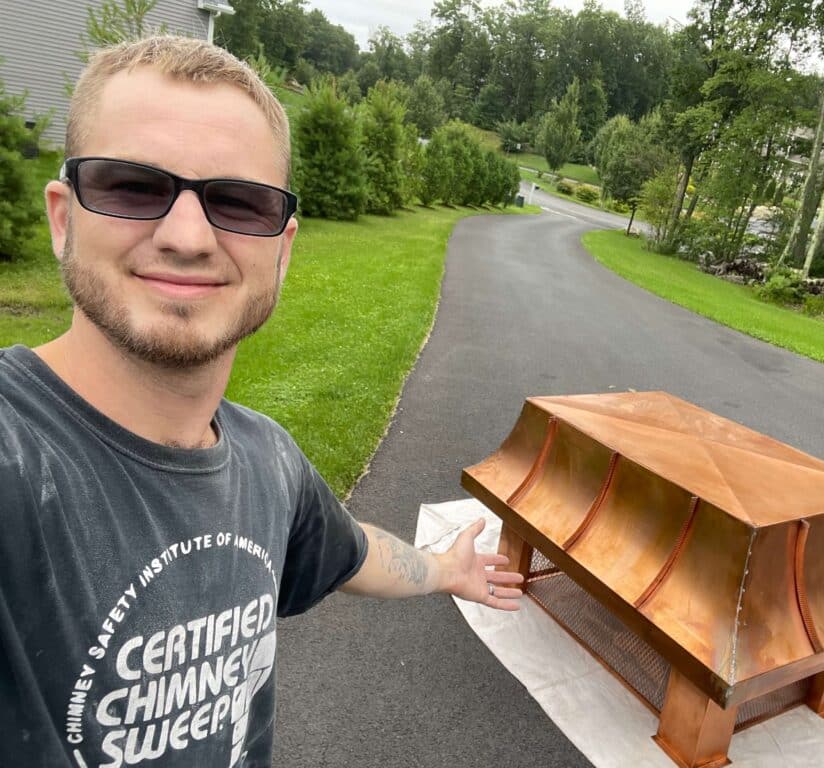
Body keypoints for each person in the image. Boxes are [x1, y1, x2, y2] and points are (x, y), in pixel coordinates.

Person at [0, 36, 522, 768]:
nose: (187, 237)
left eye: (239, 203)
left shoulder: (267, 460)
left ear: (282, 247)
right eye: (132, 187)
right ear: (64, 217)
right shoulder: (15, 458)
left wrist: (445, 570)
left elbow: (348, 550)